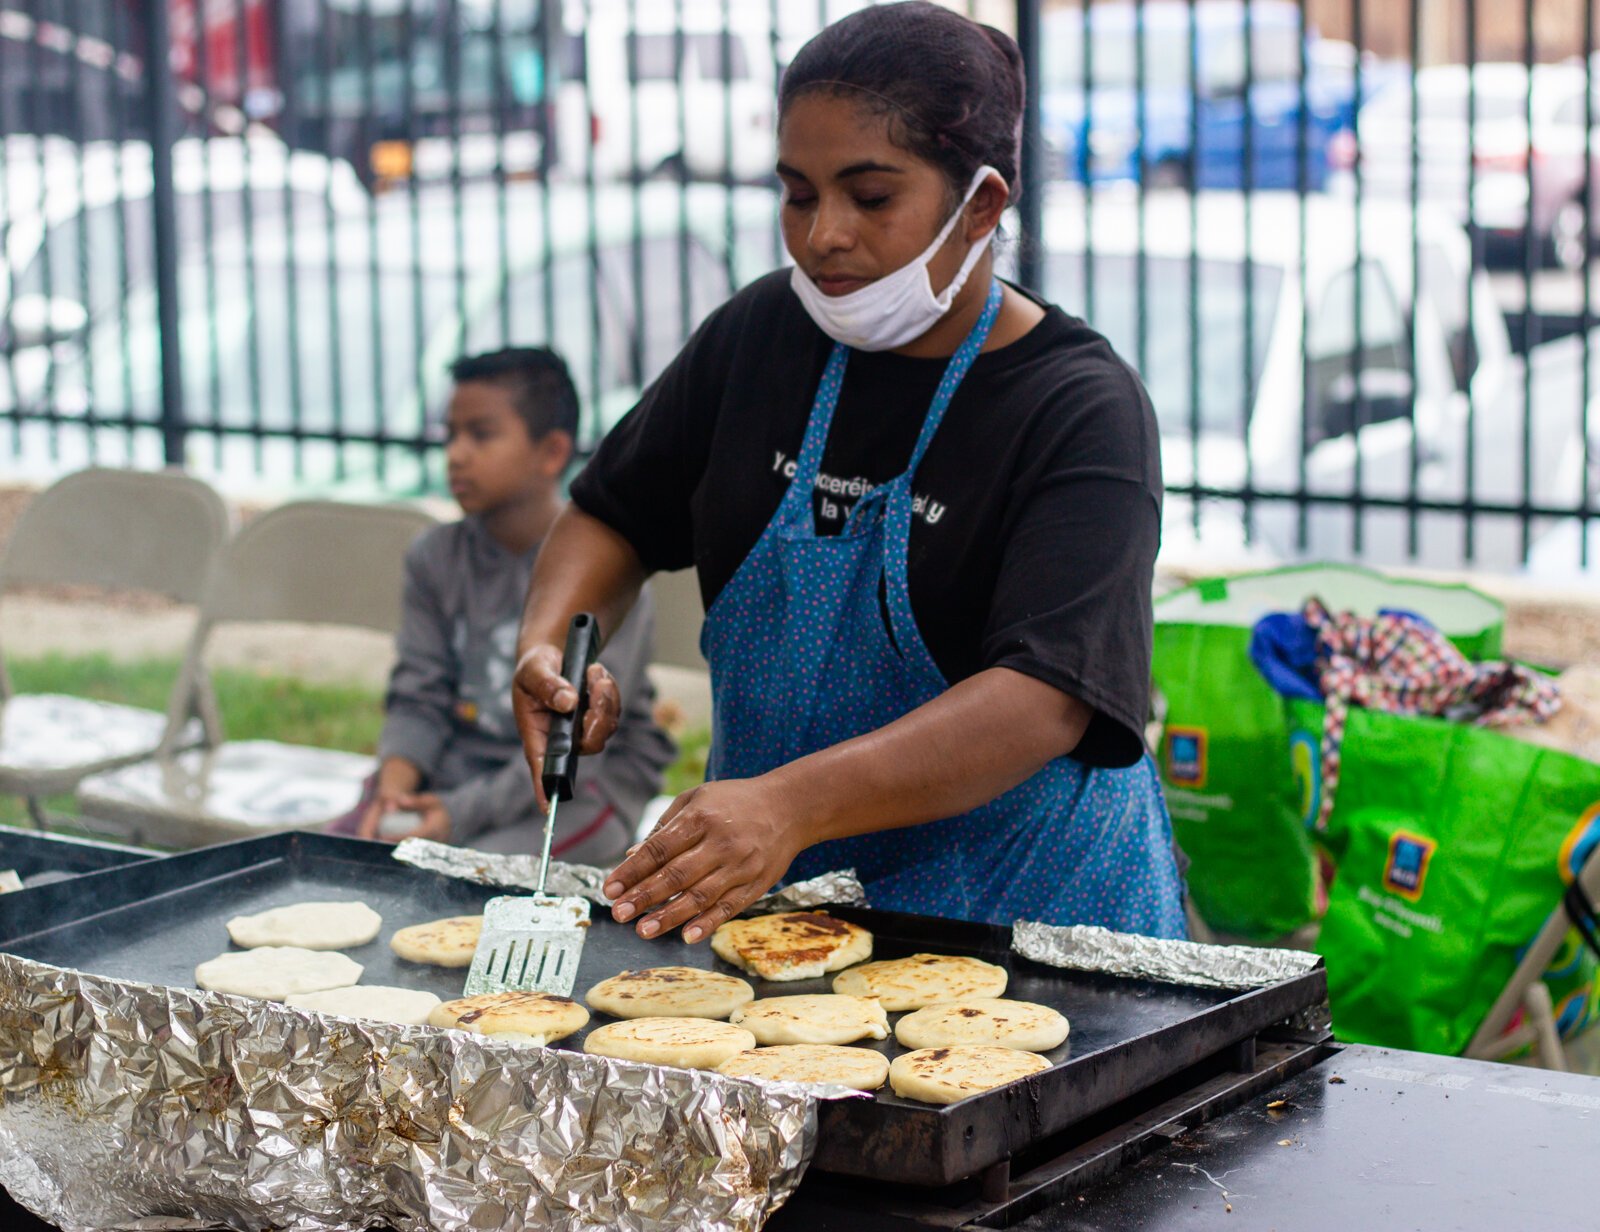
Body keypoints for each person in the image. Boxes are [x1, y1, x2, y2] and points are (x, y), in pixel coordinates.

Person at [512, 2, 1185, 940]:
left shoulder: (1078, 407)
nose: (823, 234)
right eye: (798, 193)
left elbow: (1043, 702)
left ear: (981, 204)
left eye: (869, 197)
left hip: (1027, 918)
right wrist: (549, 647)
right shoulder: (759, 338)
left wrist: (790, 806)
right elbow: (612, 514)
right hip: (787, 910)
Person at [351, 346, 675, 861]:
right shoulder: (435, 558)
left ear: (551, 452)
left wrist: (456, 816)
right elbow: (419, 695)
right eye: (450, 434)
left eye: (480, 435)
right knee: (345, 852)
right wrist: (396, 790)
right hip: (459, 775)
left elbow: (580, 743)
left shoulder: (604, 571)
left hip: (581, 789)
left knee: (462, 878)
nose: (456, 454)